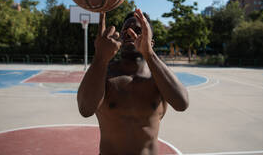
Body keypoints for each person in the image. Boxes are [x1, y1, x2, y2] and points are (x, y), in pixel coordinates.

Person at [77, 8, 189, 155]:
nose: (130, 32)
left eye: (138, 29)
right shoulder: (104, 73)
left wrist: (149, 53)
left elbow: (182, 103)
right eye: (126, 29)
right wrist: (100, 58)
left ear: (151, 42)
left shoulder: (158, 77)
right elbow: (85, 109)